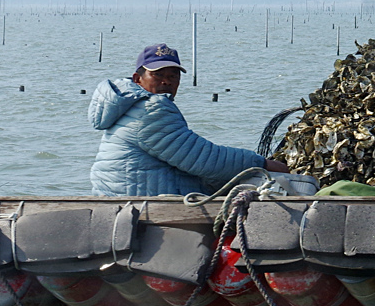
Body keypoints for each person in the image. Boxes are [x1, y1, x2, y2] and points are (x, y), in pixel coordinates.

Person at [89, 43, 289, 196]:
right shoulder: (151, 109)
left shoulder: (129, 104)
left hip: (123, 195)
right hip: (139, 204)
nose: (167, 81)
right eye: (157, 75)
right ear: (137, 78)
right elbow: (204, 159)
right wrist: (261, 163)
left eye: (173, 76)